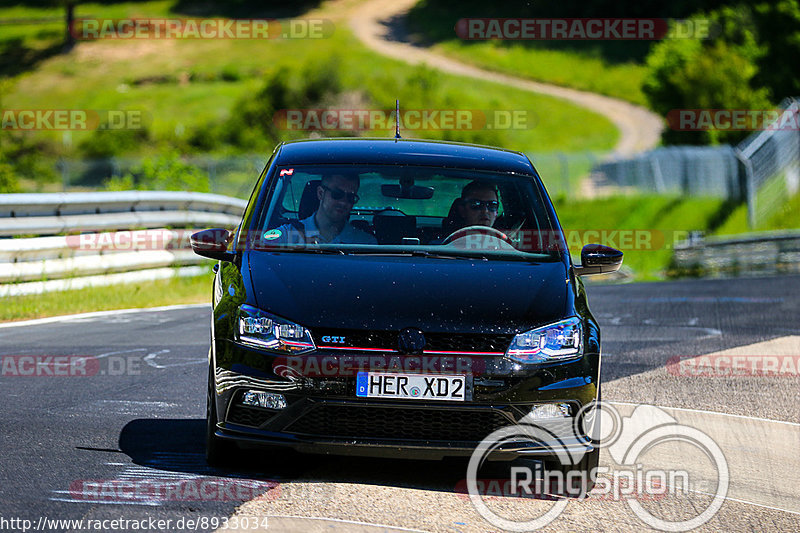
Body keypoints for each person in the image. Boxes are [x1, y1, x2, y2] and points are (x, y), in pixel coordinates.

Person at [265, 173, 376, 245]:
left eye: (351, 197)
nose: (343, 202)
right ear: (320, 193)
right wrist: (296, 247)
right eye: (337, 194)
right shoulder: (288, 234)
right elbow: (252, 245)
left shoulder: (365, 243)